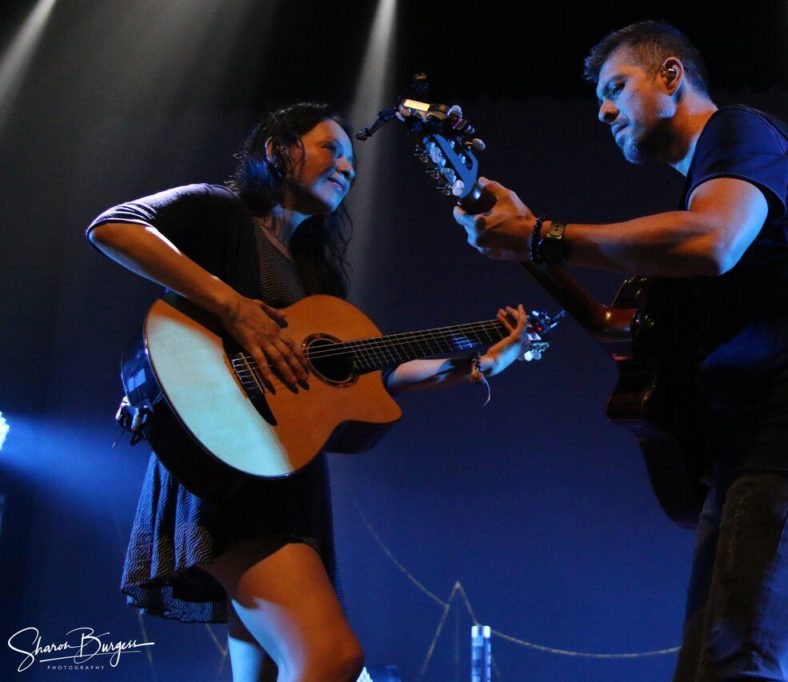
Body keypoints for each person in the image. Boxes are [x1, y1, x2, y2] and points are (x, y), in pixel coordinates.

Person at [453, 21, 788, 682]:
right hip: (759, 452)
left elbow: (712, 241)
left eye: (616, 87)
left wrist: (544, 236)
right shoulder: (710, 184)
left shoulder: (739, 135)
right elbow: (621, 329)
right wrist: (527, 245)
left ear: (671, 77)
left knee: (737, 668)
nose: (602, 110)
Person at [87, 102, 531, 682]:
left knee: (269, 673)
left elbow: (376, 379)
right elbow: (113, 226)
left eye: (352, 161)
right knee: (333, 658)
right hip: (223, 463)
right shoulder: (222, 213)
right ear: (277, 150)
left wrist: (473, 365)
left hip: (284, 479)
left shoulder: (316, 281)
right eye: (331, 149)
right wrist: (233, 306)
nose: (347, 168)